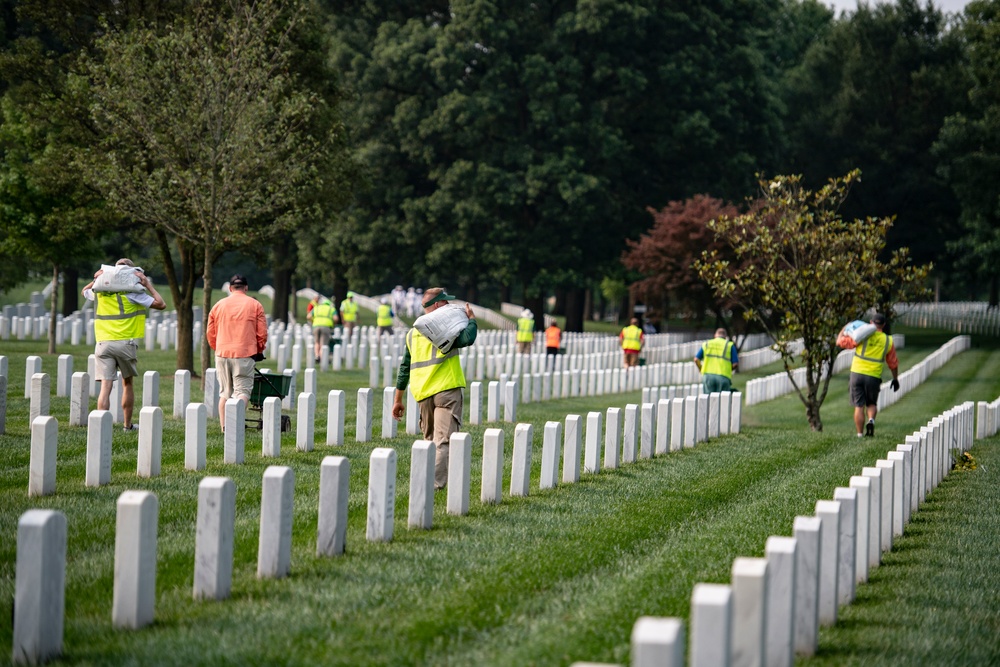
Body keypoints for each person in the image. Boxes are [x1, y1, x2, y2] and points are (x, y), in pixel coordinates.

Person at [392, 288, 478, 489]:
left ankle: (424, 483)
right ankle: (436, 485)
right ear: (438, 304)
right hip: (447, 388)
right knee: (444, 441)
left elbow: (405, 367)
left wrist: (398, 399)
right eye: (445, 302)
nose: (448, 305)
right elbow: (467, 338)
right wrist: (472, 320)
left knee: (429, 441)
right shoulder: (446, 327)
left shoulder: (412, 333)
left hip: (423, 393)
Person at [82, 258, 166, 432]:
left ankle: (100, 428)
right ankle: (127, 426)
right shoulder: (133, 292)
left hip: (103, 342)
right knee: (127, 383)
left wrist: (96, 279)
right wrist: (148, 285)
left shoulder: (101, 292)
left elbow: (85, 291)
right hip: (125, 343)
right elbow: (161, 303)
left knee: (106, 385)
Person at [206, 274, 268, 430]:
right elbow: (262, 333)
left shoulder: (218, 305)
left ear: (230, 288)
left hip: (222, 352)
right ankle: (236, 426)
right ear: (246, 288)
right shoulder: (255, 305)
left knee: (225, 393)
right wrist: (259, 350)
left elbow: (210, 332)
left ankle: (225, 427)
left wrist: (218, 347)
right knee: (243, 391)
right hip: (244, 353)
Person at [850, 313, 899, 437]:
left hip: (857, 372)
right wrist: (895, 379)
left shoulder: (863, 335)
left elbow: (847, 343)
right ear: (883, 325)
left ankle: (859, 434)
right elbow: (893, 363)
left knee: (859, 405)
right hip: (874, 375)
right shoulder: (888, 340)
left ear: (871, 322)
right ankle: (871, 420)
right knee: (871, 403)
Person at [694, 328, 738, 393]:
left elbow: (696, 359)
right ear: (725, 337)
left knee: (709, 400)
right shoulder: (729, 345)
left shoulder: (707, 344)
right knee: (723, 400)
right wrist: (728, 369)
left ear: (715, 336)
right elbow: (735, 364)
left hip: (708, 376)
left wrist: (701, 368)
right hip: (723, 376)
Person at [308, 295, 338, 363]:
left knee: (316, 342)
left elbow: (308, 316)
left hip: (316, 326)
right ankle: (322, 358)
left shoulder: (317, 307)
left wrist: (313, 321)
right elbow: (336, 318)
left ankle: (317, 355)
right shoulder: (331, 309)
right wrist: (333, 324)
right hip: (326, 327)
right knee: (323, 344)